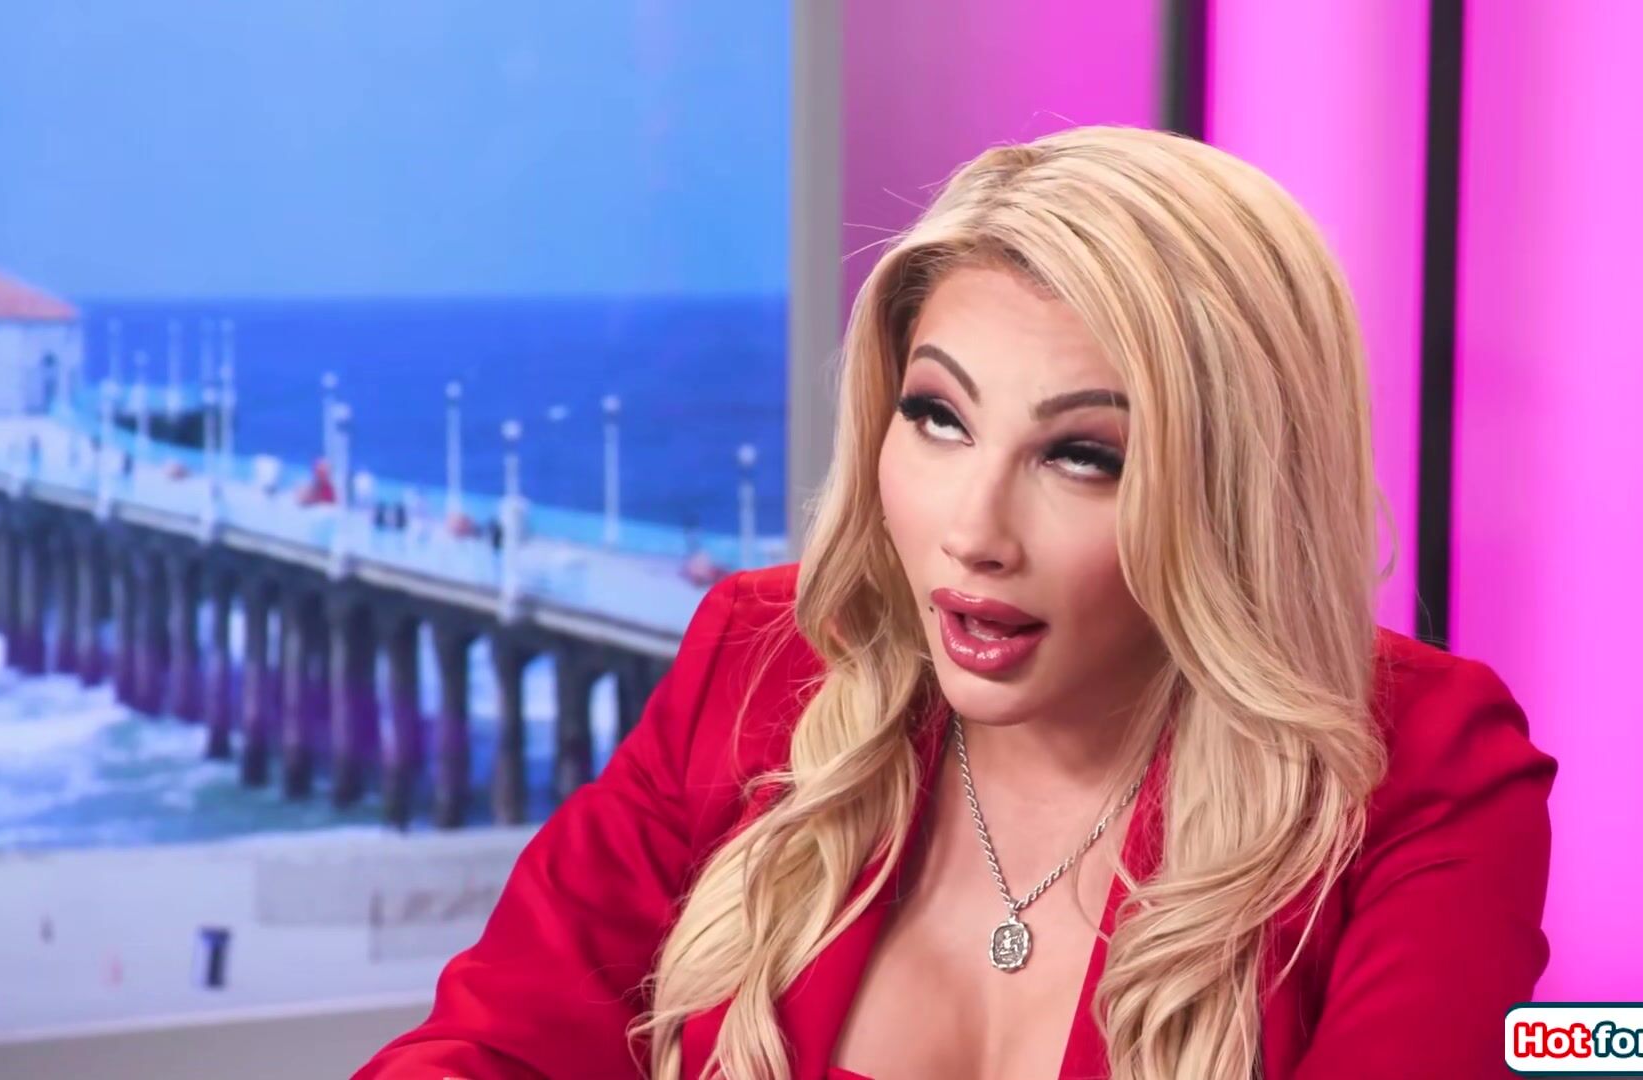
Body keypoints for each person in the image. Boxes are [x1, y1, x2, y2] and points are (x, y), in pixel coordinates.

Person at [356, 125, 1556, 1080]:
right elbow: (491, 1046)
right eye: (937, 416)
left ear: (1233, 491)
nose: (974, 533)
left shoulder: (1421, 766)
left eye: (1083, 456)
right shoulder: (764, 660)